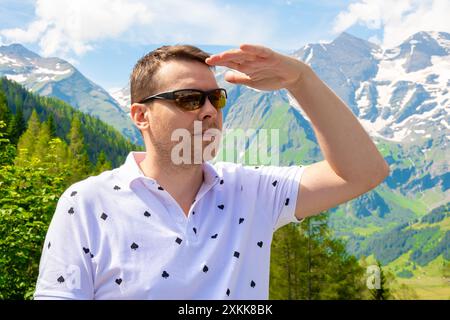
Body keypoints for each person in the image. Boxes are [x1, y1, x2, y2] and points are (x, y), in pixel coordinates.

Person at [33, 44, 389, 300]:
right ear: (141, 116)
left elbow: (364, 172)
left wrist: (301, 80)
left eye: (215, 98)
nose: (208, 111)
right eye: (189, 98)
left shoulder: (251, 192)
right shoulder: (86, 203)